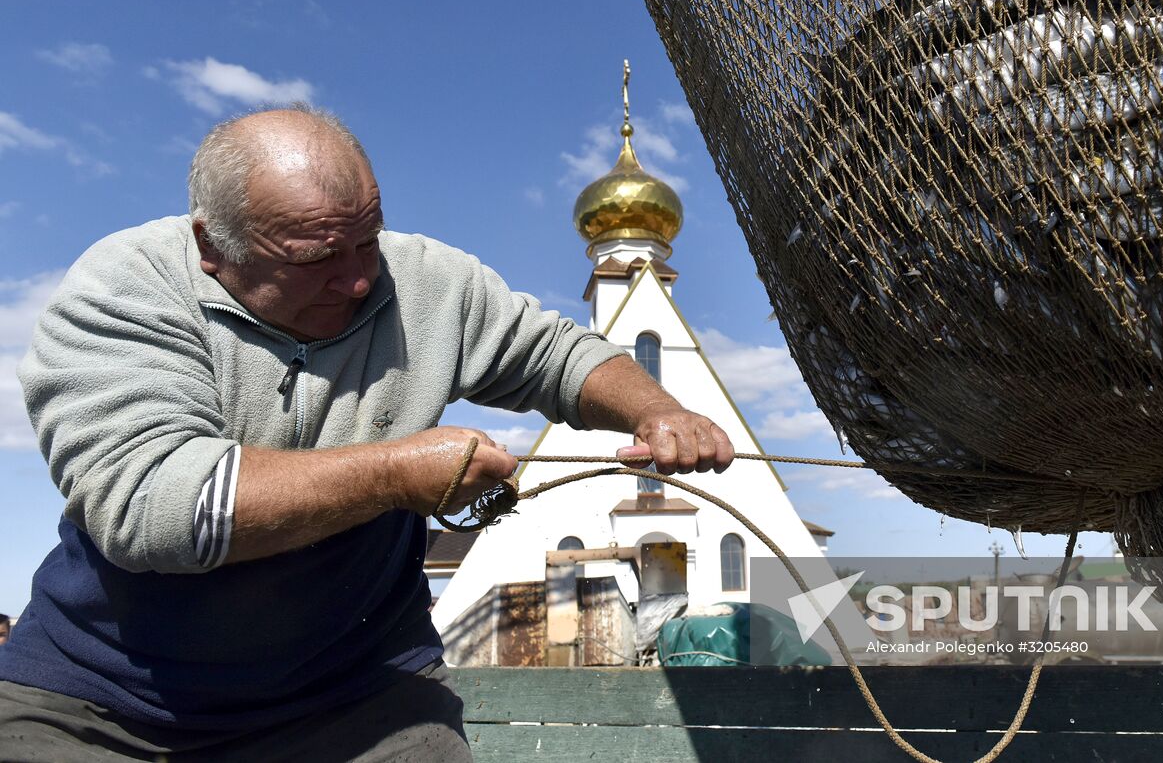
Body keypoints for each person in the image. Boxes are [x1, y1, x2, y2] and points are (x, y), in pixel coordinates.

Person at [0, 105, 735, 761]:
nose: (357, 279)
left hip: (358, 696)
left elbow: (557, 354)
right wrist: (392, 474)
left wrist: (653, 409)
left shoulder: (425, 280)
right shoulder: (123, 289)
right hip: (106, 701)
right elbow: (157, 509)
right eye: (316, 256)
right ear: (211, 245)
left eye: (367, 240)